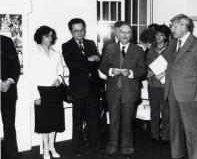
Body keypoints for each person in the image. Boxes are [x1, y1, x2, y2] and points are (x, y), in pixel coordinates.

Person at [164, 14, 197, 159]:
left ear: (183, 25)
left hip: (189, 92)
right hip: (172, 90)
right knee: (175, 128)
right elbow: (168, 64)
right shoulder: (172, 43)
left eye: (174, 26)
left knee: (192, 129)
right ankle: (177, 155)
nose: (172, 29)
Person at [99, 22, 146, 159]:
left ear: (131, 35)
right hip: (113, 91)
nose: (125, 35)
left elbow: (142, 70)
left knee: (127, 122)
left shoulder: (138, 50)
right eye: (122, 32)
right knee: (113, 121)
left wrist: (130, 72)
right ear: (117, 33)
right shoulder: (110, 48)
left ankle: (127, 150)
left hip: (130, 91)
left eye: (128, 32)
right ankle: (111, 148)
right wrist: (110, 71)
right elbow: (102, 66)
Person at [62, 18, 101, 156]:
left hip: (93, 86)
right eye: (76, 30)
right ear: (71, 31)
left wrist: (85, 63)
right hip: (78, 88)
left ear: (85, 29)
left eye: (81, 30)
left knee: (93, 118)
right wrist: (88, 60)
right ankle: (77, 148)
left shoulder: (90, 43)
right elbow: (72, 65)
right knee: (77, 119)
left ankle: (95, 146)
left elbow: (97, 62)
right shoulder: (66, 46)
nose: (79, 33)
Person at [30, 26, 65, 159]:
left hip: (55, 91)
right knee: (44, 122)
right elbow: (32, 76)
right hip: (42, 91)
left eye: (51, 36)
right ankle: (45, 149)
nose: (49, 38)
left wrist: (59, 79)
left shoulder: (56, 53)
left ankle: (52, 147)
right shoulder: (35, 53)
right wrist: (36, 95)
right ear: (40, 37)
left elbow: (61, 70)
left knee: (54, 121)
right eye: (46, 36)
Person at [146, 25, 171, 143]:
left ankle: (166, 135)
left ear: (166, 37)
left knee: (166, 111)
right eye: (157, 34)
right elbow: (146, 64)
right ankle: (154, 134)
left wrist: (165, 73)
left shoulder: (171, 48)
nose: (158, 37)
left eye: (161, 35)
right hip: (153, 84)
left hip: (166, 84)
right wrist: (150, 73)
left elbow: (174, 65)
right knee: (154, 110)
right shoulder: (150, 48)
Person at [0, 35, 21, 159]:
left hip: (7, 89)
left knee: (8, 124)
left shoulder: (6, 41)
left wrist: (9, 81)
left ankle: (11, 155)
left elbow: (16, 65)